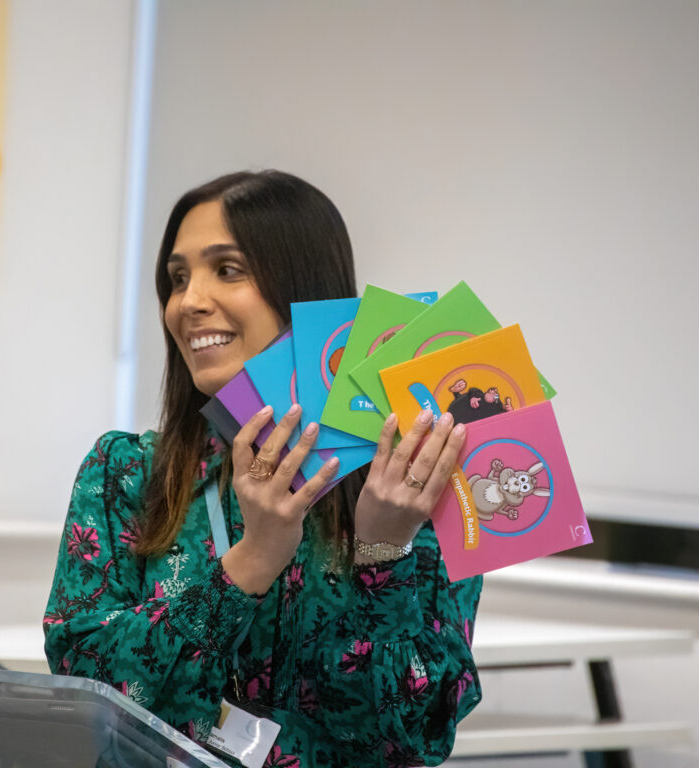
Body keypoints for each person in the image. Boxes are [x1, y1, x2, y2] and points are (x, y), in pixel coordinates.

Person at [43, 170, 482, 768]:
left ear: (302, 288)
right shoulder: (126, 471)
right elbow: (85, 687)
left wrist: (385, 549)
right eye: (177, 278)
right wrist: (252, 560)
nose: (189, 302)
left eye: (227, 270)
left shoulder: (418, 477)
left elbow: (417, 735)